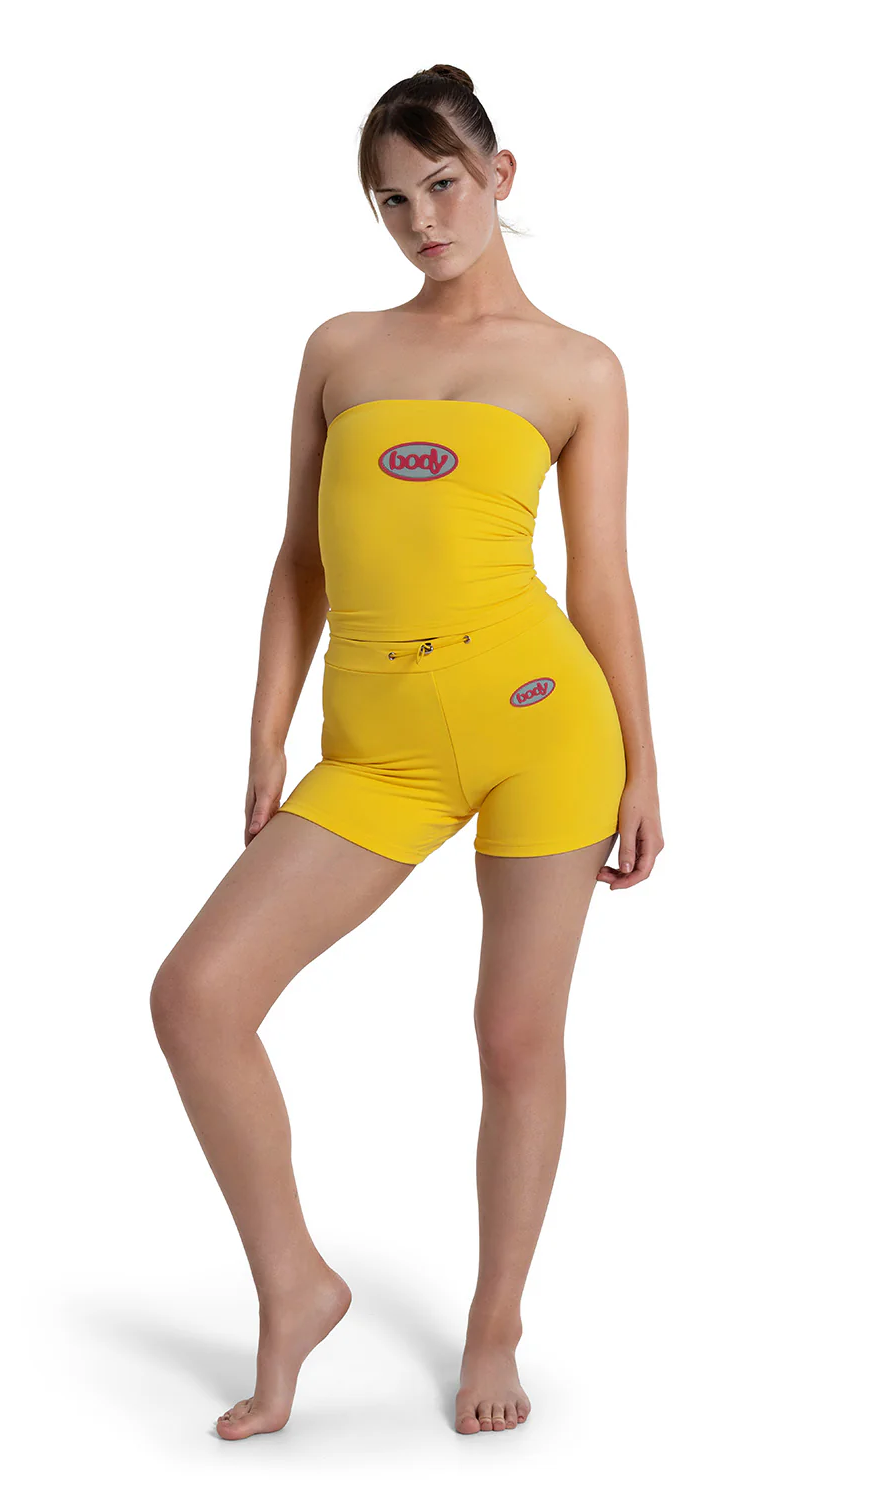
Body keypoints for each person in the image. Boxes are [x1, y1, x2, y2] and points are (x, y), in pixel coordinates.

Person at [150, 62, 663, 1442]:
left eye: (442, 183)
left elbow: (601, 580)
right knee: (197, 998)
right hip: (376, 752)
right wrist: (265, 731)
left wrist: (645, 763)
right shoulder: (341, 349)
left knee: (514, 1038)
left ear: (500, 175)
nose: (422, 220)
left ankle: (496, 1320)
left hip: (540, 724)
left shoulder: (577, 369)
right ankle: (295, 1285)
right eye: (391, 200)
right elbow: (300, 561)